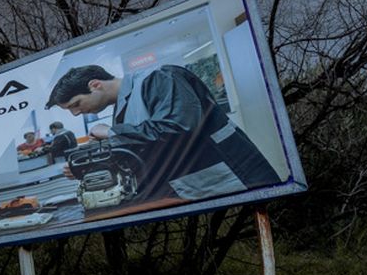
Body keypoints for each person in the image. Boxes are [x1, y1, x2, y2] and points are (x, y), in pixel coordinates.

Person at [45, 62, 280, 201]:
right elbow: (140, 150)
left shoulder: (161, 77)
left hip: (238, 179)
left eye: (76, 104)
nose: (76, 114)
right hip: (194, 189)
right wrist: (84, 168)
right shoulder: (122, 108)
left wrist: (111, 132)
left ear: (95, 84)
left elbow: (179, 128)